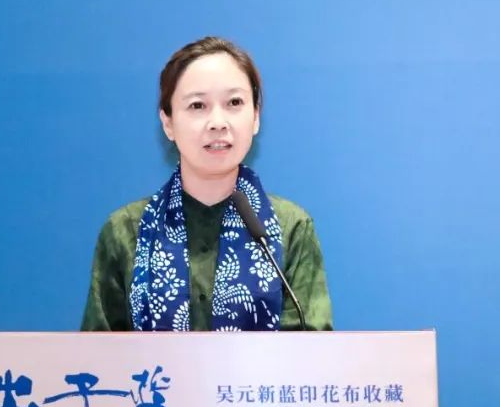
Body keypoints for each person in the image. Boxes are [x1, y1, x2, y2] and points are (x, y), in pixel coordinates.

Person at [81, 36, 333, 332]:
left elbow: (313, 351)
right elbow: (96, 353)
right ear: (168, 122)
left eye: (234, 103)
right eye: (198, 105)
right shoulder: (125, 232)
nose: (217, 122)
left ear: (255, 117)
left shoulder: (291, 227)